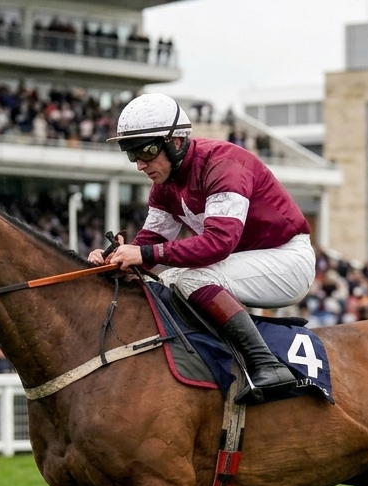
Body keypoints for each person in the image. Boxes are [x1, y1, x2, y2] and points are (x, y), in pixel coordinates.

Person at [90, 93, 315, 403]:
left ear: (177, 141)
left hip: (287, 260)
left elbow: (218, 244)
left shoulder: (224, 165)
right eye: (132, 155)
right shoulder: (163, 186)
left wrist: (142, 255)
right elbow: (149, 246)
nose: (140, 164)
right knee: (164, 281)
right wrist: (111, 261)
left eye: (147, 152)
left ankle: (266, 363)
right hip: (244, 261)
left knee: (190, 279)